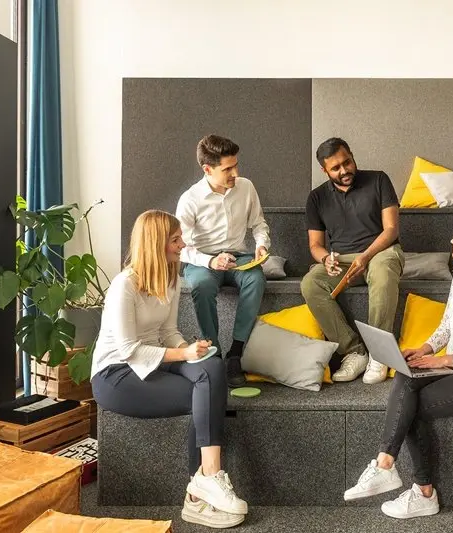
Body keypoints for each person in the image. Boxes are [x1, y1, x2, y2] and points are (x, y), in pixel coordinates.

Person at [342, 219, 453, 519]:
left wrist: (445, 360)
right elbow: (446, 327)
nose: (452, 241)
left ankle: (423, 490)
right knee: (405, 374)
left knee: (411, 407)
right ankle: (385, 464)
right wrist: (424, 350)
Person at [91, 210, 247, 529]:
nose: (182, 244)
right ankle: (202, 486)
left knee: (212, 369)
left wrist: (194, 350)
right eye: (175, 240)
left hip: (156, 360)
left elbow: (168, 332)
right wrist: (181, 352)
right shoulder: (125, 285)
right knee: (201, 392)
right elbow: (129, 350)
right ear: (156, 244)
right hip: (116, 375)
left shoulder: (171, 278)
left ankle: (206, 480)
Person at [301, 137, 404, 384]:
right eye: (335, 168)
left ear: (352, 155)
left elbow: (391, 229)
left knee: (382, 272)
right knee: (310, 283)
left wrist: (366, 256)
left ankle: (380, 354)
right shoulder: (316, 198)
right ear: (324, 170)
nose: (344, 170)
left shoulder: (378, 180)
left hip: (381, 252)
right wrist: (325, 259)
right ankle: (354, 352)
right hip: (342, 261)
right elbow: (315, 246)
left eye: (347, 162)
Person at [176, 135, 270, 387]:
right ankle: (213, 351)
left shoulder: (246, 187)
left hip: (239, 257)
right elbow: (180, 248)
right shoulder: (190, 199)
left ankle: (236, 353)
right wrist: (210, 261)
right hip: (202, 260)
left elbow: (259, 224)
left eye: (236, 165)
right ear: (207, 169)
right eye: (227, 169)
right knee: (202, 286)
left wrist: (262, 244)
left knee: (256, 278)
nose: (235, 173)